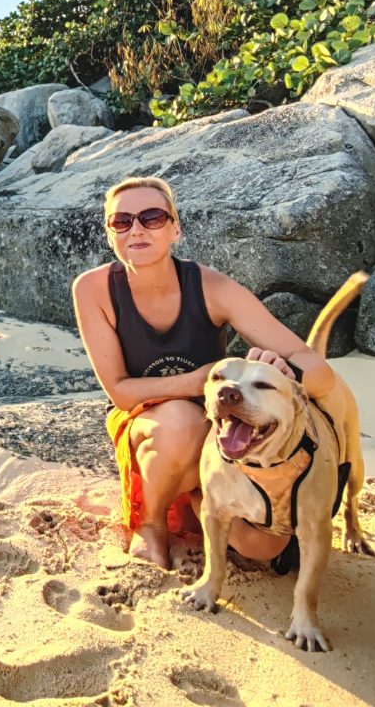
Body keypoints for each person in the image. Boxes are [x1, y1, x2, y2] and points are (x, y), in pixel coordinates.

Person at [71, 175, 338, 571]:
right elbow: (121, 392)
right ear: (111, 234)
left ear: (175, 228)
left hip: (227, 429)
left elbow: (318, 370)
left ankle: (200, 498)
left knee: (259, 548)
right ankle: (151, 523)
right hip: (153, 423)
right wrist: (201, 379)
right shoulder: (94, 289)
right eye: (121, 222)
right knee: (181, 421)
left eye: (152, 217)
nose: (137, 229)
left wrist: (288, 370)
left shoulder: (212, 288)